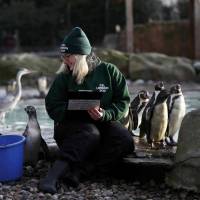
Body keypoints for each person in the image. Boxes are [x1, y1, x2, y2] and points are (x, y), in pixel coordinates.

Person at [39, 27, 135, 194]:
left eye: (68, 57)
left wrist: (106, 114)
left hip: (101, 121)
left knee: (125, 139)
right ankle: (51, 177)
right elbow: (52, 105)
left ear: (80, 56)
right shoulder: (63, 77)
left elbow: (123, 102)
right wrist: (70, 110)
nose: (65, 61)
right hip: (70, 128)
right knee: (90, 132)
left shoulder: (109, 71)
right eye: (63, 57)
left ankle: (80, 172)